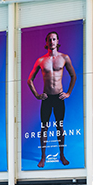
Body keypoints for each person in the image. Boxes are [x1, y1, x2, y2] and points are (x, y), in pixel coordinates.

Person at [27, 31, 77, 168]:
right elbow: (29, 80)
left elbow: (73, 76)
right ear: (46, 42)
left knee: (60, 127)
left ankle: (62, 155)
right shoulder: (41, 60)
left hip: (59, 97)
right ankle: (43, 157)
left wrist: (68, 93)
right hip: (47, 98)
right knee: (44, 128)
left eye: (54, 39)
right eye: (49, 39)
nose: (51, 41)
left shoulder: (64, 57)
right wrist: (37, 95)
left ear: (57, 41)